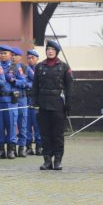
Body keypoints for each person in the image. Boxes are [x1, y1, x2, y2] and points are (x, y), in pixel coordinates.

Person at [30, 40, 73, 171]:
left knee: (58, 134)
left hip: (58, 104)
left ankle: (58, 160)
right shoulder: (40, 67)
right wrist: (34, 102)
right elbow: (35, 86)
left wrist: (68, 105)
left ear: (56, 52)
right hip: (43, 104)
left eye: (52, 50)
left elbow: (69, 88)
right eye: (48, 49)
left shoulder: (64, 67)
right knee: (45, 134)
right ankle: (47, 160)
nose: (50, 51)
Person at [25, 50, 43, 155]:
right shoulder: (24, 69)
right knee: (26, 124)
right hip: (26, 99)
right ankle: (28, 147)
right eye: (28, 58)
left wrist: (29, 84)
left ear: (37, 58)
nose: (30, 60)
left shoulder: (41, 69)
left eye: (32, 57)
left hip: (37, 100)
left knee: (37, 125)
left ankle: (39, 146)